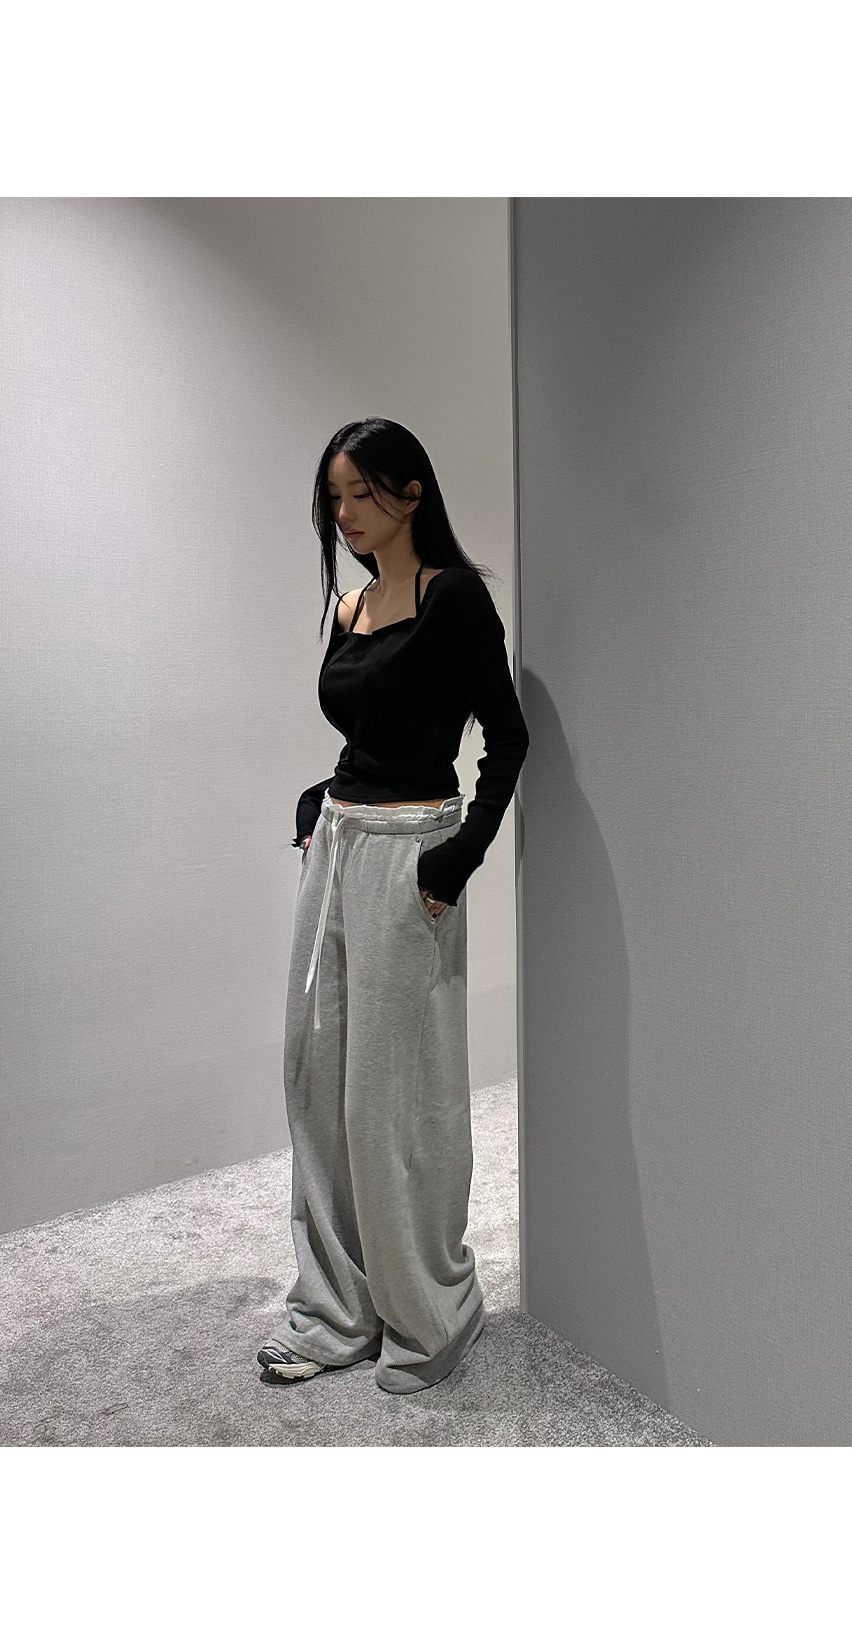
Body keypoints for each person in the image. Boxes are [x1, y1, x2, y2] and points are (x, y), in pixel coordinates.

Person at [257, 417, 530, 1394]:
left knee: (393, 1097)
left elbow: (506, 737)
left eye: (362, 493)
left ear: (412, 492)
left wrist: (455, 860)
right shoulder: (351, 606)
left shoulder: (453, 598)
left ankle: (429, 1313)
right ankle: (338, 1307)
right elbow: (367, 737)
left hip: (411, 854)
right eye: (334, 497)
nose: (346, 514)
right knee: (313, 1078)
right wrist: (317, 804)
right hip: (337, 846)